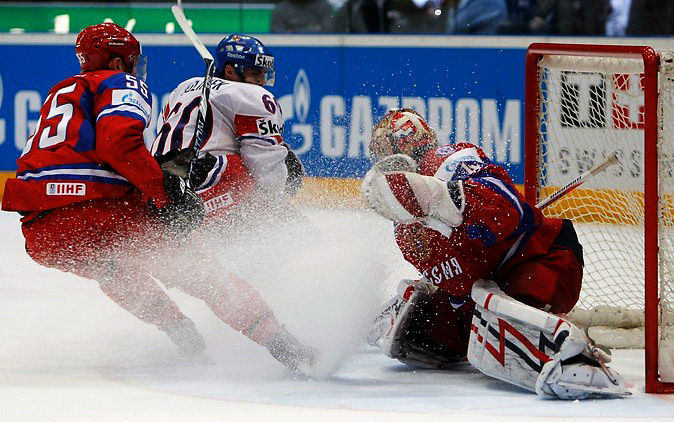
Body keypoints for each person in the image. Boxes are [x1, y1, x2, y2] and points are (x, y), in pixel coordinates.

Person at [362, 109, 629, 399]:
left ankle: (569, 355)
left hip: (541, 258)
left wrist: (441, 198)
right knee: (420, 321)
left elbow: (509, 211)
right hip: (482, 291)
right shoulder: (404, 231)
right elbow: (455, 282)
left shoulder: (450, 161)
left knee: (503, 317)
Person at [1, 23, 207, 357]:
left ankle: (180, 331)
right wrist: (165, 195)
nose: (136, 68)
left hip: (41, 231)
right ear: (117, 62)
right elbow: (118, 144)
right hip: (96, 211)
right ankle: (274, 336)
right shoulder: (120, 81)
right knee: (192, 262)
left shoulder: (60, 90)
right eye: (132, 60)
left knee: (111, 269)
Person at [149, 34, 316, 373]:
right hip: (209, 192)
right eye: (255, 73)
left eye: (264, 73)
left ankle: (269, 319)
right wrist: (274, 208)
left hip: (162, 198)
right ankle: (307, 311)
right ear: (230, 70)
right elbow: (268, 169)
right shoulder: (253, 97)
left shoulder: (184, 87)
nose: (262, 80)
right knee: (297, 226)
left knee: (212, 274)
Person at [270, 0, 335, 33]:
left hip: (318, 49)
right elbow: (277, 35)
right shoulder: (281, 8)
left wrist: (291, 33)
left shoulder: (324, 7)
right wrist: (315, 30)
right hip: (289, 50)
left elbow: (328, 32)